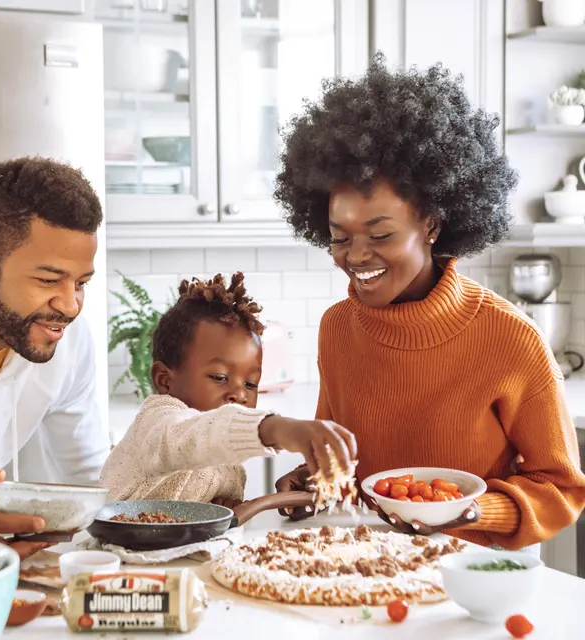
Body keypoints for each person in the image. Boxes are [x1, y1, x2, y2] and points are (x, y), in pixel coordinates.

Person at [273, 54, 585, 551]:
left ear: (433, 224)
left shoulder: (511, 339)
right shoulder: (338, 328)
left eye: (380, 234)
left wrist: (467, 510)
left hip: (468, 591)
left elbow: (562, 489)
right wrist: (312, 483)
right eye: (339, 237)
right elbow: (350, 468)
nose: (355, 257)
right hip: (363, 572)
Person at [0, 156, 110, 557]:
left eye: (82, 283)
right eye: (49, 280)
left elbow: (90, 480)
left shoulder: (66, 343)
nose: (70, 306)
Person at [101, 272, 357, 518]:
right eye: (220, 378)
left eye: (251, 384)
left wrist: (221, 506)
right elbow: (192, 437)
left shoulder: (230, 460)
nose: (239, 394)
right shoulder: (157, 420)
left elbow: (208, 495)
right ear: (164, 380)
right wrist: (276, 429)